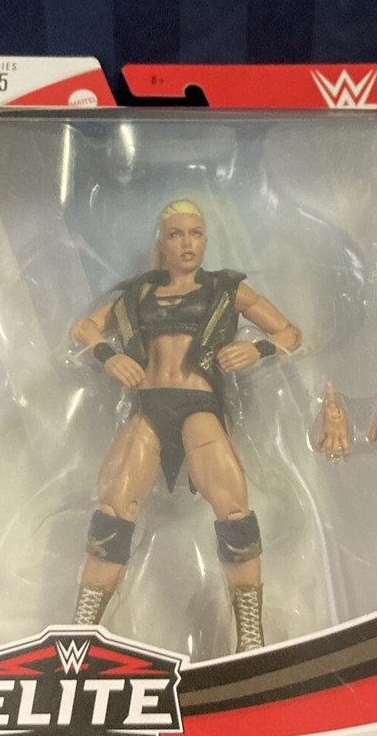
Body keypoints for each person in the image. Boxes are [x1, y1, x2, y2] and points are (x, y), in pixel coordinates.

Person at [71, 200, 301, 652]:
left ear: (206, 239)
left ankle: (250, 637)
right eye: (176, 234)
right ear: (162, 241)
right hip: (149, 404)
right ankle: (79, 634)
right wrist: (108, 355)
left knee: (234, 511)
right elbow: (85, 328)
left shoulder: (226, 289)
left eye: (195, 233)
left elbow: (290, 333)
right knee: (113, 511)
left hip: (199, 404)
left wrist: (259, 350)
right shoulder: (140, 293)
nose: (187, 243)